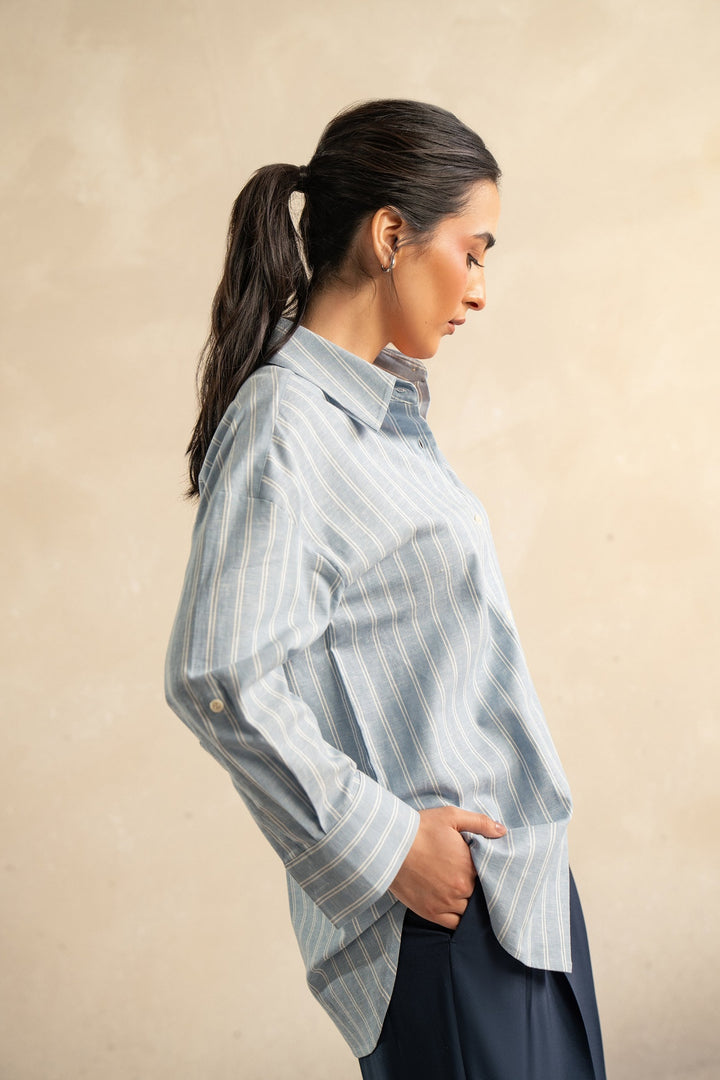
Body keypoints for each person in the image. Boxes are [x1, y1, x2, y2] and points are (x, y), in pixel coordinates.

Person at [165, 99, 606, 1079]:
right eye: (475, 249)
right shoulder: (289, 422)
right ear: (392, 234)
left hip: (512, 905)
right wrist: (390, 844)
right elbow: (214, 676)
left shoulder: (383, 412)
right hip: (447, 927)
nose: (481, 289)